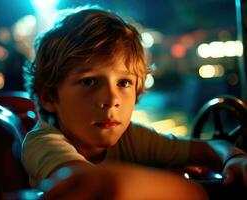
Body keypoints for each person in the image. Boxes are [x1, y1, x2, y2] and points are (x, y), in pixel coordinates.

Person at [22, 5, 247, 199]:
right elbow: (89, 184)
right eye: (89, 82)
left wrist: (232, 157)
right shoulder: (43, 142)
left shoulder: (130, 138)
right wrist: (195, 192)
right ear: (50, 97)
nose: (111, 100)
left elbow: (208, 148)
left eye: (124, 83)